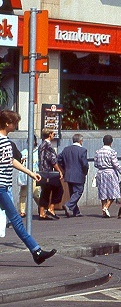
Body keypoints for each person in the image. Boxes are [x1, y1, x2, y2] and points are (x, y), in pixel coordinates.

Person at [0, 109, 56, 264]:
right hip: (0, 187)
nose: (16, 126)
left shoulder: (6, 141)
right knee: (16, 220)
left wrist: (30, 173)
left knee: (14, 220)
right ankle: (36, 251)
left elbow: (11, 161)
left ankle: (36, 251)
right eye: (14, 123)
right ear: (6, 123)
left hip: (4, 186)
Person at [58, 132, 89, 217]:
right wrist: (85, 171)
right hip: (78, 174)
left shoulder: (66, 149)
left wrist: (64, 167)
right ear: (80, 141)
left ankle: (76, 211)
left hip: (68, 174)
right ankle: (68, 205)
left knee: (73, 193)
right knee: (78, 191)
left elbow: (59, 159)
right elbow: (84, 164)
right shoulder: (82, 150)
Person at [36, 129, 63, 220]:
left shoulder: (41, 145)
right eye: (53, 134)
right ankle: (51, 208)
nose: (54, 135)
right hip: (49, 172)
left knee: (45, 192)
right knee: (59, 190)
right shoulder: (48, 145)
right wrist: (59, 171)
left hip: (42, 171)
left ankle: (42, 212)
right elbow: (52, 160)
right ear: (50, 135)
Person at [94, 135, 121, 218]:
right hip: (110, 173)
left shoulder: (98, 152)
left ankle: (103, 210)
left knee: (103, 192)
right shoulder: (112, 152)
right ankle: (106, 207)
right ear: (111, 142)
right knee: (114, 192)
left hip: (100, 173)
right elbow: (116, 164)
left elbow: (95, 164)